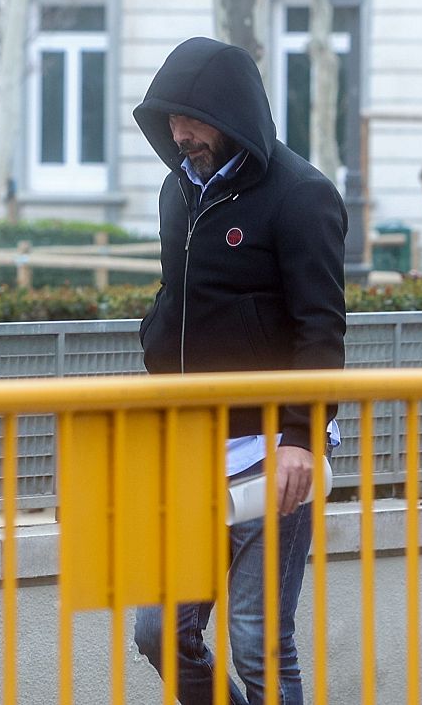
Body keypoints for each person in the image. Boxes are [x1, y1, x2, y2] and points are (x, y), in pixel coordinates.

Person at [131, 37, 346, 705]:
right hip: (194, 446)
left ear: (231, 114)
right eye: (169, 120)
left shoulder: (302, 196)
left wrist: (300, 438)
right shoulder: (179, 190)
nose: (180, 133)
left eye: (191, 118)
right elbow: (181, 298)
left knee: (258, 639)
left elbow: (321, 329)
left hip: (271, 453)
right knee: (160, 627)